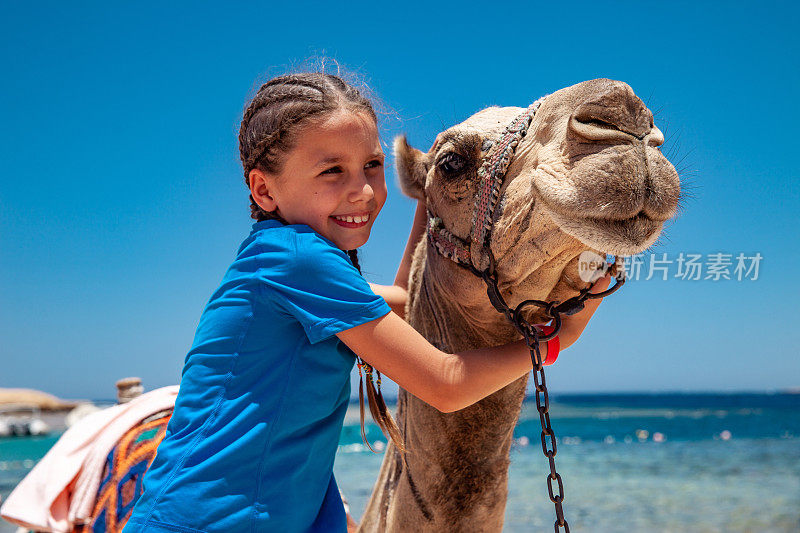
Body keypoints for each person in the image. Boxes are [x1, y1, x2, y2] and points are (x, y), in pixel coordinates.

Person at [122, 69, 612, 533]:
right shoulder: (297, 260)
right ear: (263, 189)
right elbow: (444, 384)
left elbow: (401, 302)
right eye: (332, 171)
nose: (361, 191)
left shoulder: (278, 261)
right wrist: (555, 340)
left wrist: (433, 202)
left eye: (372, 166)